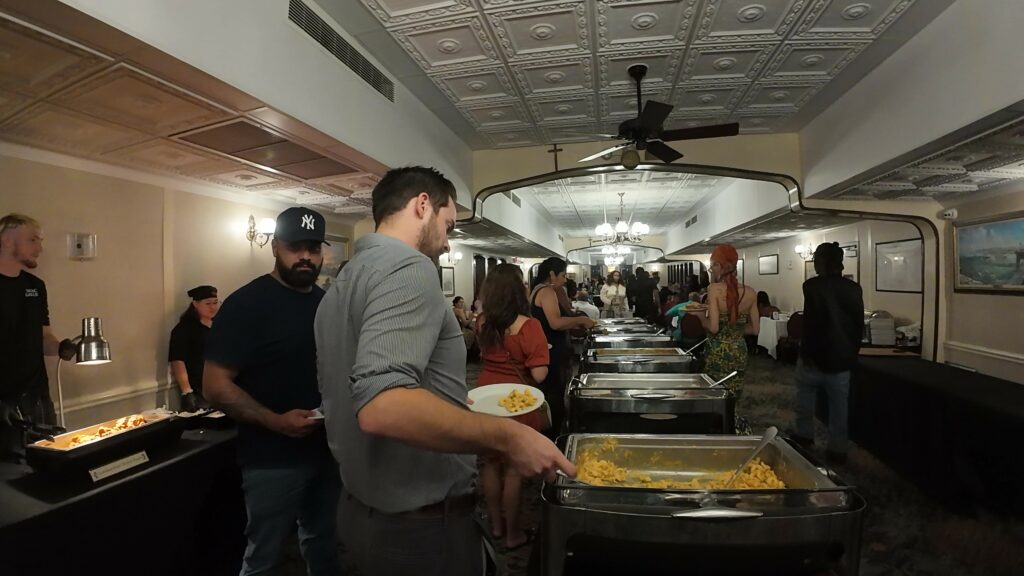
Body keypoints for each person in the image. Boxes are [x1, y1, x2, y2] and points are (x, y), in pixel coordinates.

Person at [314, 166, 575, 576]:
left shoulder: (342, 282)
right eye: (448, 223)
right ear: (422, 205)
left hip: (359, 508)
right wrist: (509, 434)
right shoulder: (409, 268)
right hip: (418, 527)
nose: (447, 240)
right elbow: (383, 406)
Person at [203, 207, 340, 576]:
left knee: (323, 542)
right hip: (271, 457)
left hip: (326, 451)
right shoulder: (246, 304)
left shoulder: (326, 302)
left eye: (313, 247)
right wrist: (275, 421)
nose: (306, 256)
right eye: (296, 247)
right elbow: (214, 386)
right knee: (264, 556)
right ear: (276, 246)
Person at [475, 264, 549, 551]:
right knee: (514, 470)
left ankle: (495, 526)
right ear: (519, 290)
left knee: (491, 463)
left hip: (485, 394)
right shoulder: (529, 326)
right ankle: (513, 534)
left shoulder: (482, 321)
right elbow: (540, 374)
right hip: (517, 399)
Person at [0, 214, 77, 461]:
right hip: (3, 400)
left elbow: (44, 336)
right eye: (33, 240)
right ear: (8, 240)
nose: (40, 249)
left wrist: (61, 346)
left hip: (36, 396)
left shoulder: (35, 286)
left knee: (47, 460)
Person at [792, 243, 864, 465]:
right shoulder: (854, 289)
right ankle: (838, 449)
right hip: (841, 358)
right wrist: (851, 352)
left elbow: (813, 324)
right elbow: (857, 325)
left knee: (804, 402)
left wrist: (807, 353)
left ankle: (804, 436)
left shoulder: (811, 287)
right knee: (839, 408)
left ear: (821, 262)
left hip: (813, 358)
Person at [530, 256, 596, 437]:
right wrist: (581, 320)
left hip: (546, 346)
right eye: (562, 275)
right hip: (552, 348)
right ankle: (555, 437)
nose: (564, 279)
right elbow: (555, 323)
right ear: (552, 274)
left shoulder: (536, 290)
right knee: (555, 395)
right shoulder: (546, 291)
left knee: (550, 393)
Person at [688, 245, 759, 402]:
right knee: (733, 395)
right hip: (739, 351)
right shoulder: (751, 292)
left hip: (717, 351)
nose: (711, 269)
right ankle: (734, 423)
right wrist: (735, 330)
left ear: (719, 266)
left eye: (712, 265)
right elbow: (755, 330)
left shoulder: (714, 289)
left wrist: (700, 316)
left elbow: (714, 328)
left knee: (715, 394)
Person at [169, 285, 219, 413]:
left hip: (220, 384)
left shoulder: (219, 325)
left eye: (215, 303)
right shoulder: (185, 329)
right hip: (198, 388)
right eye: (208, 303)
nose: (213, 307)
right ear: (195, 304)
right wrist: (187, 391)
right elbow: (177, 360)